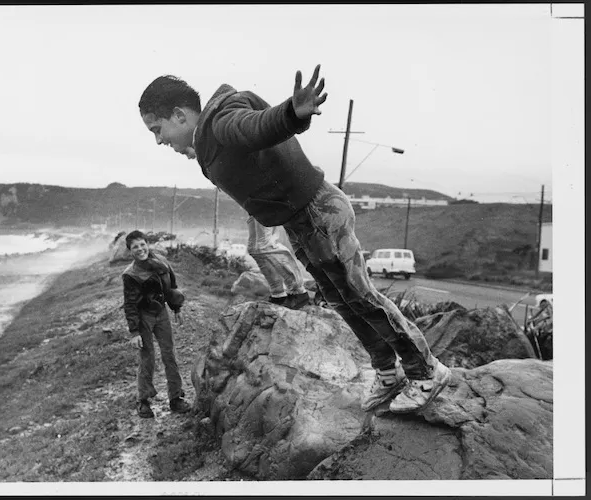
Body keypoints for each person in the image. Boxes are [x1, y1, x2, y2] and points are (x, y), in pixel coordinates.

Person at [138, 65, 451, 414]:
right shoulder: (209, 136)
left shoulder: (222, 119)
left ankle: (426, 371)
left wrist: (291, 113)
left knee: (362, 296)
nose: (159, 140)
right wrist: (198, 150)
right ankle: (387, 371)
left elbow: (254, 128)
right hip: (301, 223)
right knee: (343, 302)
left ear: (179, 115)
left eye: (157, 129)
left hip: (318, 213)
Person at [122, 230, 191, 418]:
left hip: (161, 312)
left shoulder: (161, 261)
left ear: (147, 244)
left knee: (170, 354)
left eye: (142, 244)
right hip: (144, 316)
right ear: (130, 251)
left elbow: (171, 286)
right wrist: (134, 331)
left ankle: (176, 398)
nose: (140, 249)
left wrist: (176, 308)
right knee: (148, 358)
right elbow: (129, 304)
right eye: (135, 247)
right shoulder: (130, 274)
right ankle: (143, 400)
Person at [246, 216, 309, 309]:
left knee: (264, 246)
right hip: (253, 207)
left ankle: (298, 291)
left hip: (265, 206)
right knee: (254, 249)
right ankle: (278, 294)